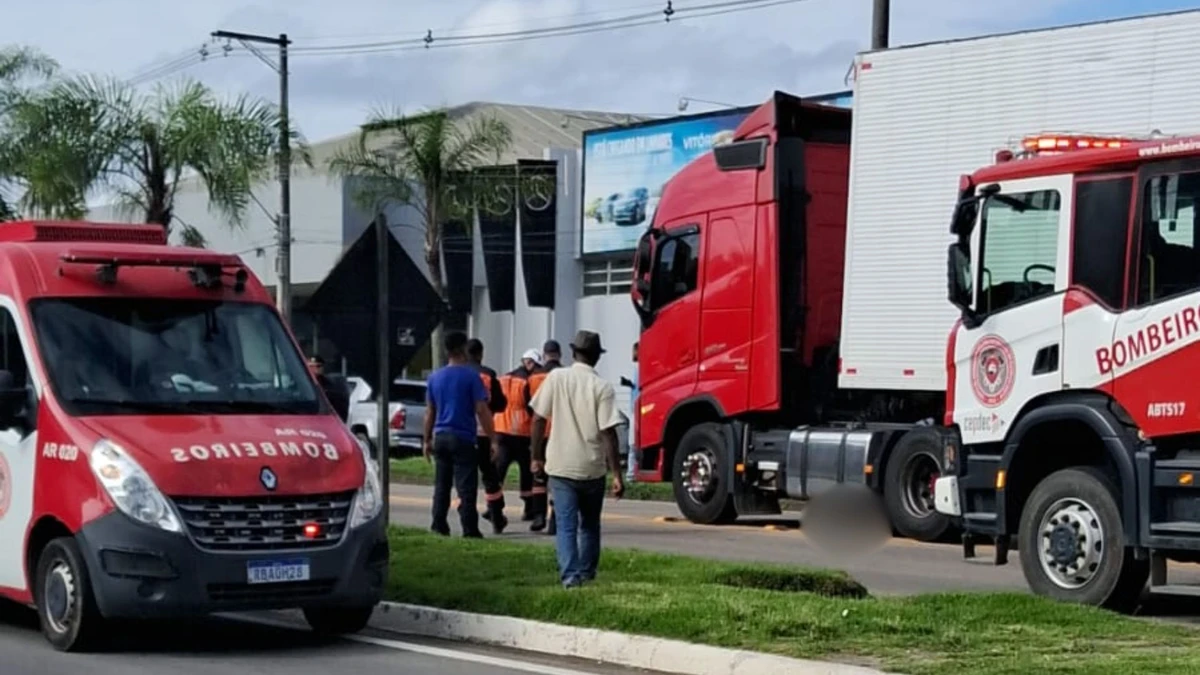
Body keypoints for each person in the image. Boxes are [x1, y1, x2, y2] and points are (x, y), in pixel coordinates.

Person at [529, 330, 624, 589]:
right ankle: (587, 573)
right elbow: (608, 432)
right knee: (590, 526)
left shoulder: (556, 377)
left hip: (560, 465)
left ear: (573, 353)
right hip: (592, 468)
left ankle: (570, 578)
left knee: (567, 526)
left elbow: (538, 418)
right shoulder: (602, 387)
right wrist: (616, 473)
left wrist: (535, 456)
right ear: (596, 358)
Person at [423, 331, 500, 538]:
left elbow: (430, 411)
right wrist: (493, 439)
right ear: (463, 349)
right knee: (466, 487)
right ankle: (469, 528)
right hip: (463, 437)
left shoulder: (434, 377)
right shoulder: (471, 377)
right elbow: (482, 410)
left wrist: (426, 439)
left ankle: (438, 524)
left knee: (442, 485)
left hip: (441, 435)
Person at [466, 338, 509, 534]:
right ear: (480, 354)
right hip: (484, 432)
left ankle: (467, 516)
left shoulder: (459, 373)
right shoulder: (488, 375)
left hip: (463, 432)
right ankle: (496, 516)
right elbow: (500, 404)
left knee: (465, 478)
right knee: (490, 476)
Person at [494, 349, 540, 522]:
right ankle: (529, 508)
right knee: (526, 472)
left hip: (501, 430)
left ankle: (495, 506)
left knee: (499, 470)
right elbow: (532, 406)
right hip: (521, 432)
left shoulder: (503, 378)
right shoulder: (527, 381)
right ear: (530, 363)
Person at [527, 339, 563, 533]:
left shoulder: (534, 376)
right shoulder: (565, 375)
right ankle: (554, 521)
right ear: (560, 354)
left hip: (539, 432)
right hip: (559, 432)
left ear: (544, 354)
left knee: (538, 476)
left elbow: (529, 406)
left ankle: (538, 516)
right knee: (558, 477)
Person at [308, 355, 350, 422]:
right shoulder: (303, 384)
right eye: (310, 366)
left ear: (322, 368)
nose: (314, 369)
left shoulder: (331, 385)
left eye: (317, 366)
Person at [620, 341, 639, 483]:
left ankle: (631, 474)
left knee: (633, 443)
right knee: (632, 443)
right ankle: (632, 472)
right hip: (635, 407)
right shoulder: (637, 368)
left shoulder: (640, 368)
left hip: (637, 408)